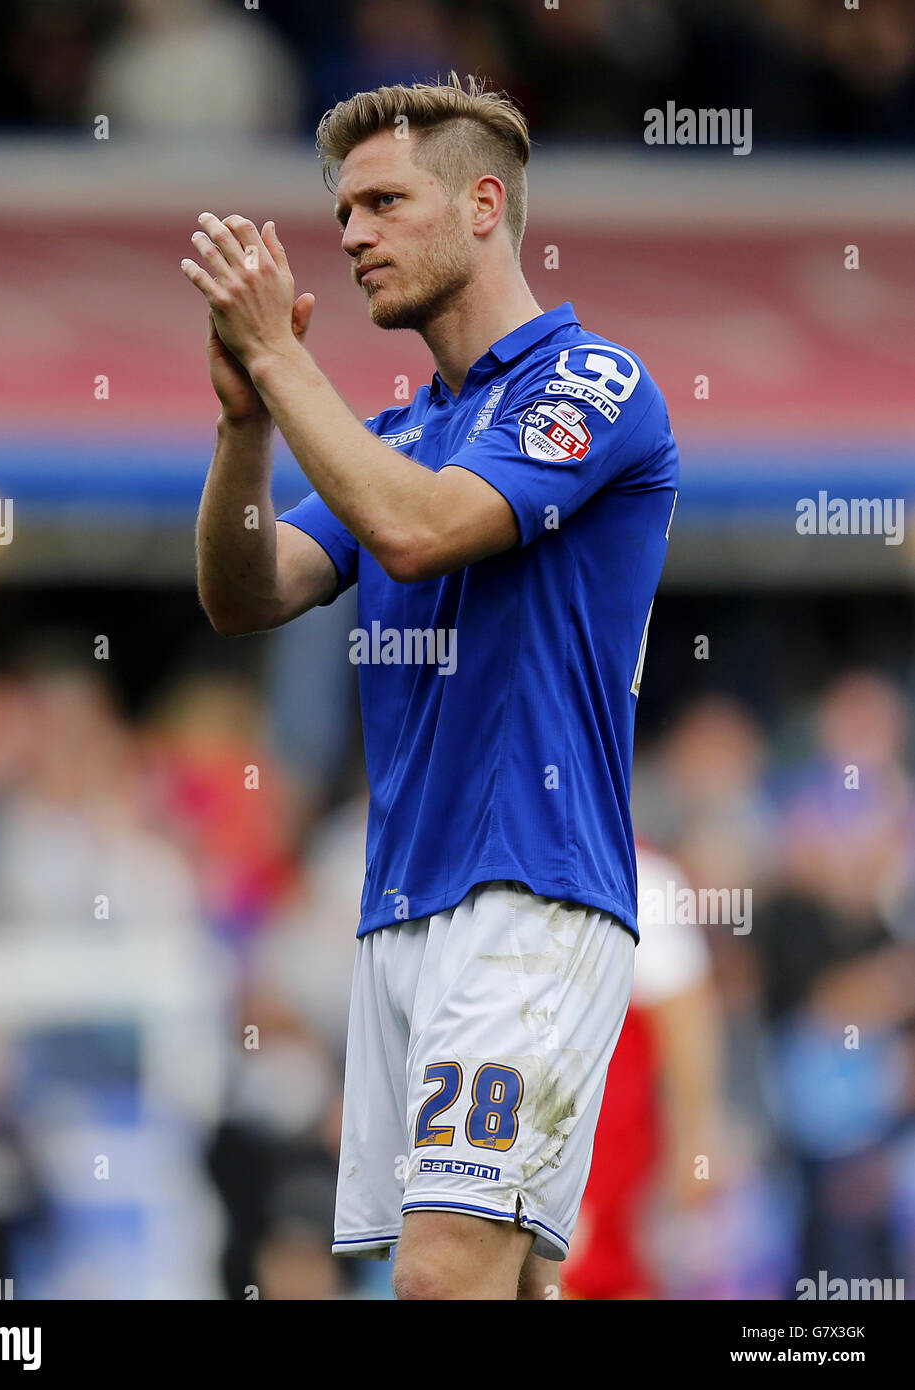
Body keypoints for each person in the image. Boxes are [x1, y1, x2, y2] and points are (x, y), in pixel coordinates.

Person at [182, 72, 679, 1301]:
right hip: (401, 910)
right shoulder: (401, 431)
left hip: (530, 892)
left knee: (438, 1282)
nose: (348, 235)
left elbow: (417, 532)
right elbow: (247, 591)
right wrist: (245, 422)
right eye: (340, 209)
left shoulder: (593, 385)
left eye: (382, 201)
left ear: (481, 207)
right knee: (499, 1285)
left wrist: (278, 359)